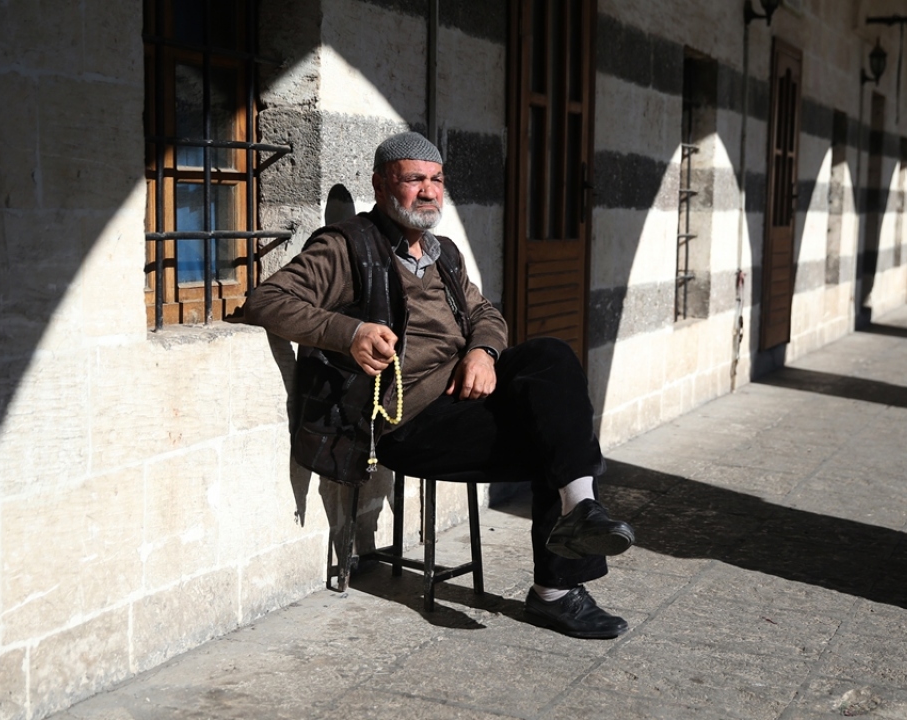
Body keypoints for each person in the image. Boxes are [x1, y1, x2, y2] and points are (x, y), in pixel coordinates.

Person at [243, 131, 635, 639]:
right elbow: (266, 300)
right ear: (381, 185)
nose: (428, 191)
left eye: (436, 180)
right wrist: (350, 333)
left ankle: (580, 512)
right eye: (414, 179)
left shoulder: (442, 252)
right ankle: (556, 593)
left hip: (465, 398)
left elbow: (485, 313)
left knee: (551, 359)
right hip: (408, 422)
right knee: (559, 443)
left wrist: (482, 352)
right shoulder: (345, 246)